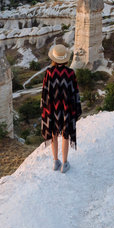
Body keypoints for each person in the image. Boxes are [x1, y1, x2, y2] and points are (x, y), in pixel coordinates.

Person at [41, 44, 82, 173]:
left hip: (52, 108)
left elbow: (45, 92)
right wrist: (76, 109)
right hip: (66, 108)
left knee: (53, 133)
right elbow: (75, 92)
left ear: (53, 59)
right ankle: (64, 163)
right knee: (65, 135)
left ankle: (55, 161)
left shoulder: (48, 72)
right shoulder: (70, 73)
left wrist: (45, 108)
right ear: (65, 59)